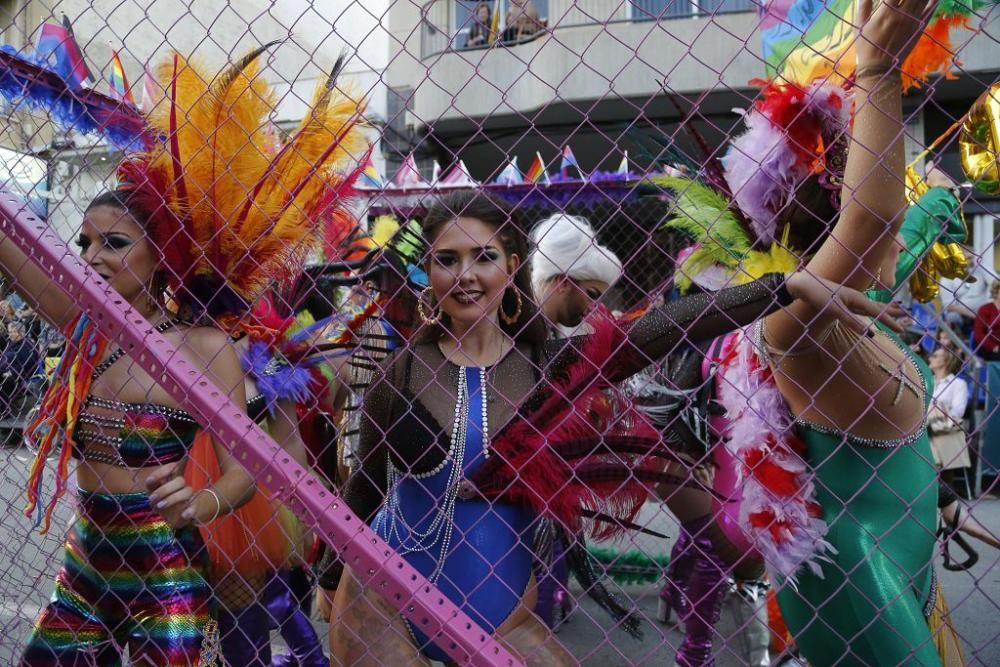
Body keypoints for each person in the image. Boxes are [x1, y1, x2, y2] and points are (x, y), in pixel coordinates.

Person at [330, 189, 907, 665]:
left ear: (511, 265)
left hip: (501, 619)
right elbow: (363, 490)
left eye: (482, 256)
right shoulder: (397, 377)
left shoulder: (548, 366)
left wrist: (784, 288)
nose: (465, 275)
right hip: (386, 603)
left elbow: (657, 331)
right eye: (446, 259)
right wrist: (329, 580)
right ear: (427, 269)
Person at [15, 45, 369, 666]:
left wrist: (200, 504)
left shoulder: (205, 348)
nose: (92, 256)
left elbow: (243, 471)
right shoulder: (83, 327)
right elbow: (12, 245)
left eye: (115, 243)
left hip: (164, 568)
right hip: (85, 562)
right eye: (86, 242)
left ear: (162, 257)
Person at [928, 346, 971, 473]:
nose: (930, 358)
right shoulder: (927, 382)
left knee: (932, 409)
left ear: (946, 361)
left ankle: (937, 474)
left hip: (945, 425)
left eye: (935, 356)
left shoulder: (958, 384)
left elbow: (958, 412)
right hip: (925, 424)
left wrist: (936, 410)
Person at [0, 321, 41, 417]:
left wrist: (12, 372)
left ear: (22, 332)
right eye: (10, 332)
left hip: (18, 376)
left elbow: (28, 365)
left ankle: (4, 411)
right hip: (4, 371)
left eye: (15, 332)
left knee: (5, 381)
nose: (12, 334)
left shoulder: (27, 346)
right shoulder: (10, 344)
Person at [973, 280, 1000, 361]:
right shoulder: (985, 309)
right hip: (991, 349)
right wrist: (994, 347)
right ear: (996, 291)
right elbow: (979, 334)